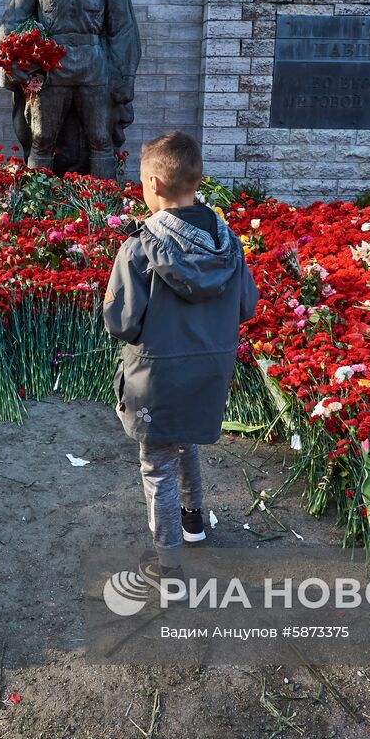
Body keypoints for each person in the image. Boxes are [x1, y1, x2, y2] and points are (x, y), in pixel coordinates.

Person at [102, 131, 258, 585]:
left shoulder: (139, 247)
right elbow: (246, 307)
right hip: (211, 368)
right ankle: (193, 521)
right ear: (197, 179)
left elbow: (122, 323)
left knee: (157, 464)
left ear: (152, 184)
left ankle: (168, 566)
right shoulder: (229, 244)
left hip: (158, 373)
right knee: (185, 438)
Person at [0, 0, 140, 179]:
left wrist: (123, 77)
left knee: (101, 140)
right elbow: (12, 22)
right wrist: (20, 61)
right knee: (41, 139)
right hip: (52, 68)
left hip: (94, 65)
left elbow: (122, 30)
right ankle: (36, 209)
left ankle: (104, 212)